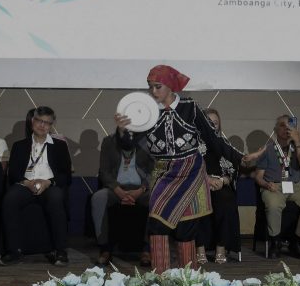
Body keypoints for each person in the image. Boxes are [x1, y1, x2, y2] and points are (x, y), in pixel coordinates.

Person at [114, 65, 255, 273]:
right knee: (157, 225)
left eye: (158, 86)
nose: (153, 91)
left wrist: (240, 158)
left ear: (171, 86)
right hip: (163, 174)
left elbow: (214, 140)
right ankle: (160, 278)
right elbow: (128, 145)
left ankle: (188, 279)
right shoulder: (147, 111)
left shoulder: (191, 108)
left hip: (191, 172)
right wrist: (122, 129)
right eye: (150, 86)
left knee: (185, 228)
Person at [0, 105, 73, 265]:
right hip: (26, 184)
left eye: (47, 122)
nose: (42, 125)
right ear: (32, 121)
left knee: (56, 197)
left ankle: (60, 251)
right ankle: (14, 251)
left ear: (51, 125)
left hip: (49, 185)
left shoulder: (59, 146)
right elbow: (13, 173)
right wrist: (27, 183)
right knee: (10, 199)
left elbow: (65, 175)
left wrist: (48, 182)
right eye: (39, 121)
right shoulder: (19, 145)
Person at [251, 115, 300, 259]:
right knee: (274, 204)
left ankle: (297, 242)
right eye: (282, 125)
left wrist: (298, 141)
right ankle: (275, 242)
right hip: (274, 186)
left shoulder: (298, 147)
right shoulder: (267, 149)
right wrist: (266, 184)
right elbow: (258, 176)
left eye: (289, 126)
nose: (286, 129)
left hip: (295, 186)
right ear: (275, 129)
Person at [93, 130, 152, 266]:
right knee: (98, 198)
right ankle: (105, 249)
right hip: (116, 188)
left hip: (141, 189)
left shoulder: (149, 141)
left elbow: (153, 170)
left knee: (156, 199)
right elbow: (104, 171)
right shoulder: (109, 141)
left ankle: (147, 249)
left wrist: (141, 189)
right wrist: (117, 190)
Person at [197, 108, 242, 264]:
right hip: (198, 184)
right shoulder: (193, 145)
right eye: (208, 122)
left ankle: (221, 247)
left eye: (215, 123)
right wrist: (206, 180)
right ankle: (200, 248)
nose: (212, 125)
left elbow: (233, 170)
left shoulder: (225, 144)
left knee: (226, 201)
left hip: (221, 184)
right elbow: (189, 169)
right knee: (198, 201)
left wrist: (222, 181)